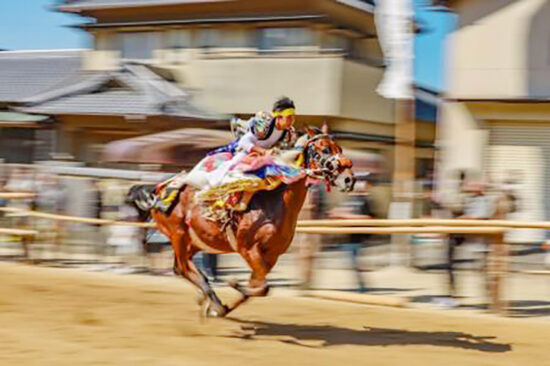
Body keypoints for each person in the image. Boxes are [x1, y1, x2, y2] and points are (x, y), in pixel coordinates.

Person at [156, 96, 297, 212]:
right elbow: (244, 142)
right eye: (288, 117)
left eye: (293, 117)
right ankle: (213, 190)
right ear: (278, 117)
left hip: (265, 158)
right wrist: (262, 152)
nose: (291, 120)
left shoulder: (288, 133)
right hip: (244, 151)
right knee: (234, 169)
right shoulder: (264, 125)